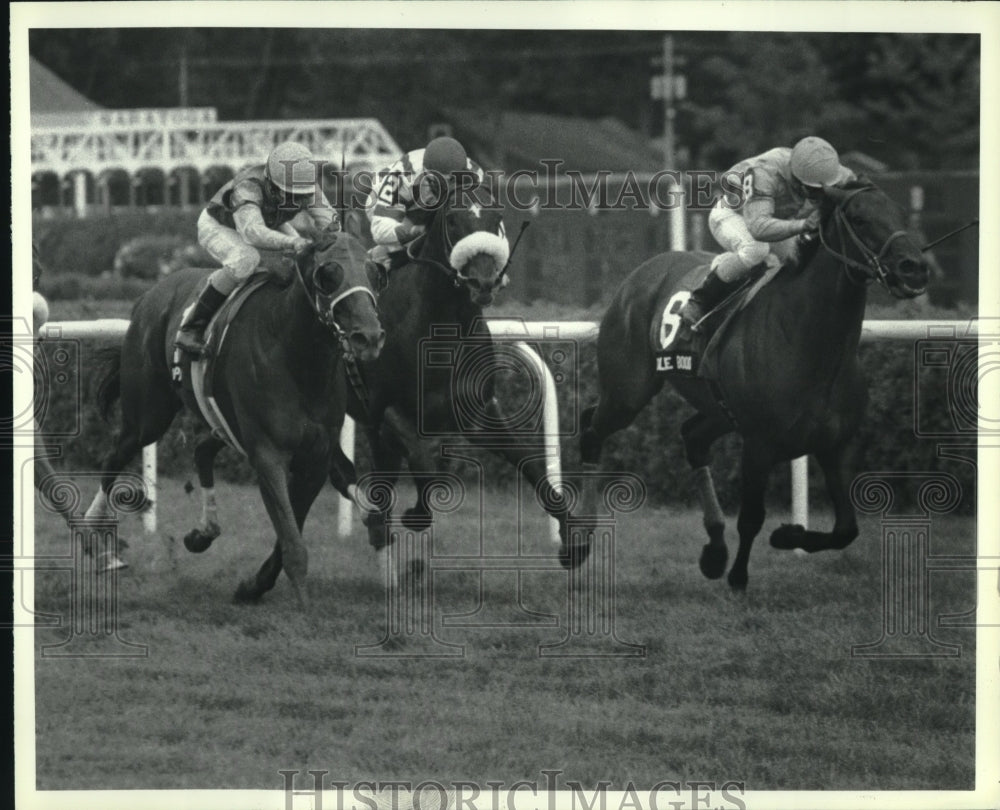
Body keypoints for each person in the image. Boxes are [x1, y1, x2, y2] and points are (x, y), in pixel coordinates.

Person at [175, 141, 337, 355]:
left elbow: (332, 224)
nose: (297, 201)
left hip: (269, 220)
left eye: (302, 195)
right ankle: (191, 327)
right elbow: (252, 233)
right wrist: (292, 242)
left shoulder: (305, 185)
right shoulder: (248, 187)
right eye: (290, 194)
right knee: (245, 259)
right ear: (270, 183)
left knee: (304, 259)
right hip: (220, 224)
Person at [680, 136, 856, 330]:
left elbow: (857, 187)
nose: (821, 195)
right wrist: (804, 225)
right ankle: (700, 300)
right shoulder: (765, 173)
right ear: (798, 179)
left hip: (777, 219)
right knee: (756, 249)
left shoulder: (827, 169)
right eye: (815, 190)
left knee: (801, 260)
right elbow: (758, 228)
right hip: (733, 215)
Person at [365, 136, 486, 269]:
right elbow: (380, 231)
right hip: (384, 202)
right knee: (420, 238)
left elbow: (487, 217)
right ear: (427, 174)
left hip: (426, 201)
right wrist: (413, 231)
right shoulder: (401, 178)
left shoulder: (475, 175)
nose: (449, 188)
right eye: (442, 182)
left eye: (454, 181)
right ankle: (380, 258)